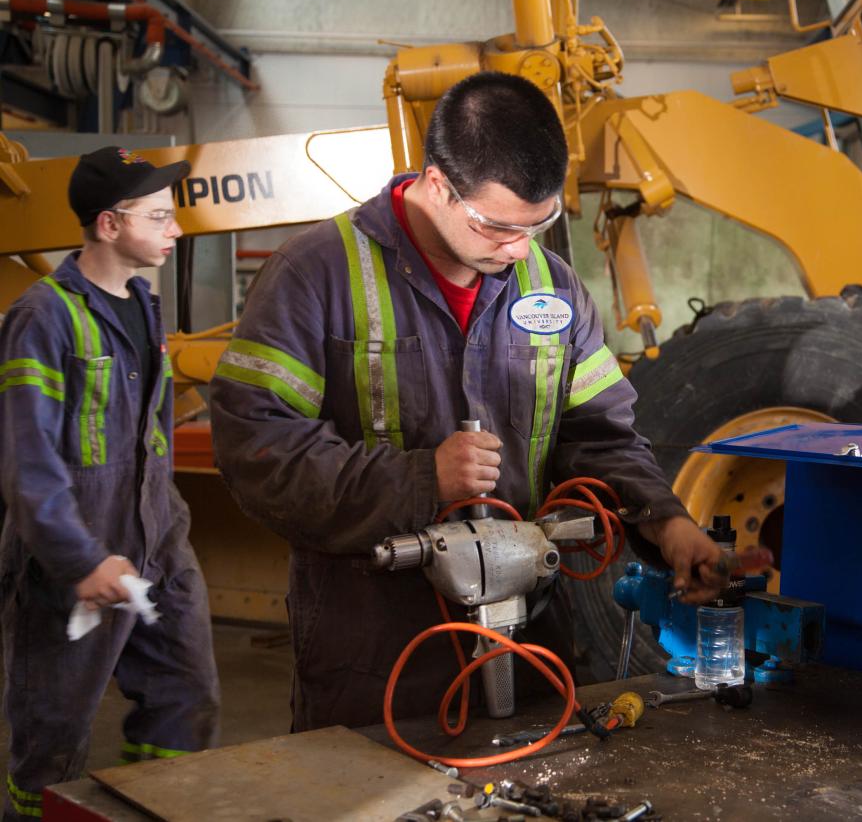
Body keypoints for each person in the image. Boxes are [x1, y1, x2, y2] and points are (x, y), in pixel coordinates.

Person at [208, 72, 726, 732]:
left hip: (530, 638)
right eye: (495, 227)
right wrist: (421, 480)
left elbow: (601, 434)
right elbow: (257, 446)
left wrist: (665, 521)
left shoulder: (552, 289)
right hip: (376, 649)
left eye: (536, 226)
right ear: (435, 184)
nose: (516, 250)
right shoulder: (317, 275)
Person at [0, 146, 220, 820]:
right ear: (108, 224)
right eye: (159, 216)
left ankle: (158, 808)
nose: (175, 228)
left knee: (187, 693)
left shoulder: (142, 305)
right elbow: (26, 458)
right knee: (55, 726)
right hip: (77, 548)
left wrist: (166, 529)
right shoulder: (45, 317)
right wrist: (78, 558)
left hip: (157, 534)